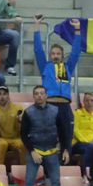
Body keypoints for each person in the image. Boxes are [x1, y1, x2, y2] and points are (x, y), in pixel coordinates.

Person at [33, 15, 80, 147]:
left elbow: (76, 52)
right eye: (53, 53)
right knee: (49, 137)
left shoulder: (67, 67)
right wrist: (37, 27)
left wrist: (77, 31)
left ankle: (66, 161)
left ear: (62, 55)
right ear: (49, 55)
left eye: (58, 53)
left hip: (65, 106)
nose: (55, 56)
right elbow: (37, 50)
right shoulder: (45, 66)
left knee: (67, 137)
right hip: (50, 105)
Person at [20, 84, 65, 186]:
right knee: (29, 181)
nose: (39, 96)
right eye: (36, 94)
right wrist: (32, 151)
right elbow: (23, 135)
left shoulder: (56, 111)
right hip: (35, 150)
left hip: (51, 150)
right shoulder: (28, 112)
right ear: (33, 96)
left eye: (41, 93)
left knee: (56, 182)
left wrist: (64, 148)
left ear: (46, 95)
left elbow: (63, 131)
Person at [0, 86, 24, 167]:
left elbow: (22, 130)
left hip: (15, 137)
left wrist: (20, 121)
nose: (2, 97)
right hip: (0, 138)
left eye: (4, 94)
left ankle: (24, 169)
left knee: (22, 144)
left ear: (8, 95)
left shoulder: (18, 109)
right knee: (3, 144)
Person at [70, 92, 93, 166]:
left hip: (92, 144)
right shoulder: (77, 113)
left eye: (92, 100)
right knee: (90, 148)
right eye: (87, 100)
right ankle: (86, 172)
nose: (89, 103)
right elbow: (75, 130)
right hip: (77, 143)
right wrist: (86, 141)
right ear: (83, 102)